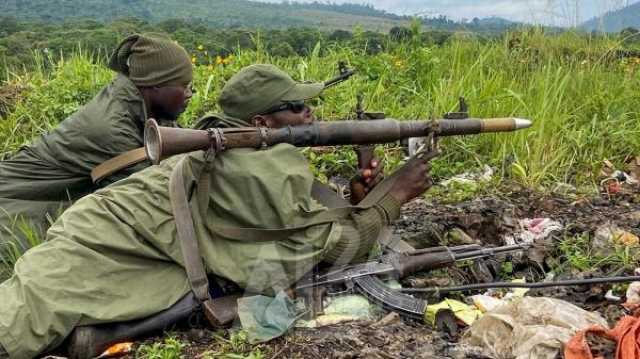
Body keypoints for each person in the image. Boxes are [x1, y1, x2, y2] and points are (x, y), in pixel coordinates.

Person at [0, 64, 434, 359]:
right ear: (262, 123)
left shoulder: (230, 140)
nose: (310, 113)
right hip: (105, 242)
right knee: (17, 323)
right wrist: (395, 194)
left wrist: (355, 199)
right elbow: (337, 247)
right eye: (298, 107)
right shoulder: (259, 170)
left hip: (126, 237)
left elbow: (293, 222)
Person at [0, 33, 193, 246]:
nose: (189, 93)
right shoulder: (113, 128)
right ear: (156, 84)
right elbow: (154, 196)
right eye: (184, 86)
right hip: (16, 199)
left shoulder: (143, 105)